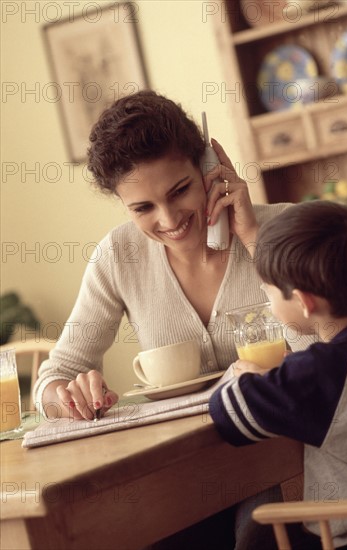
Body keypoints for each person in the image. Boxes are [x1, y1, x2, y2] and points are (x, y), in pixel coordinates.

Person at [33, 90, 310, 549]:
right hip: (182, 478)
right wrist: (69, 398)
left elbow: (335, 355)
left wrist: (255, 240)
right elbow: (52, 378)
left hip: (287, 460)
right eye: (142, 208)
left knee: (255, 532)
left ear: (207, 167)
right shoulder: (119, 256)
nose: (169, 219)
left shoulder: (288, 229)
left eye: (179, 190)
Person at [209, 200, 347, 549]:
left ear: (304, 302)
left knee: (257, 534)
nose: (265, 295)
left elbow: (228, 413)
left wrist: (243, 375)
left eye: (267, 288)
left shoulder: (319, 371)